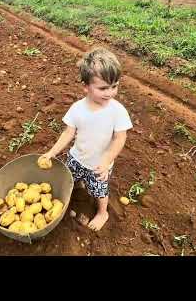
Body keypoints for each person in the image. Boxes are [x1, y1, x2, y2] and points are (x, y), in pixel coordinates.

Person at [40, 47, 133, 231]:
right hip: (76, 158)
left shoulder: (117, 111)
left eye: (114, 86)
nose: (110, 93)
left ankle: (102, 213)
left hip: (99, 165)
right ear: (86, 86)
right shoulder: (77, 109)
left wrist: (106, 161)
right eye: (103, 88)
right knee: (70, 179)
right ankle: (78, 185)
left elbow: (120, 138)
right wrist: (52, 152)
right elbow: (68, 133)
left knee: (99, 191)